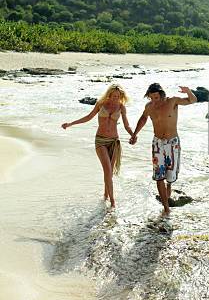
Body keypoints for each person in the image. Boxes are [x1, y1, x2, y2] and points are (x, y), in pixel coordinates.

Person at [61, 84, 133, 208]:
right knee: (108, 170)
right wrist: (71, 123)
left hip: (114, 142)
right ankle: (113, 203)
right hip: (100, 141)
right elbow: (88, 117)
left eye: (118, 96)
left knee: (109, 173)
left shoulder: (121, 107)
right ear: (109, 95)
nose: (115, 98)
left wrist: (133, 135)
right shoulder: (101, 104)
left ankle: (105, 195)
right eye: (113, 96)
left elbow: (127, 125)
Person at [130, 83, 197, 216]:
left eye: (157, 97)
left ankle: (169, 191)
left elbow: (192, 101)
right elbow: (143, 118)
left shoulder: (172, 101)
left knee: (170, 177)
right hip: (158, 143)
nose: (155, 100)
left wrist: (188, 91)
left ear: (161, 94)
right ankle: (166, 208)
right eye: (151, 98)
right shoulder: (149, 107)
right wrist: (135, 134)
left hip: (173, 143)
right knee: (159, 176)